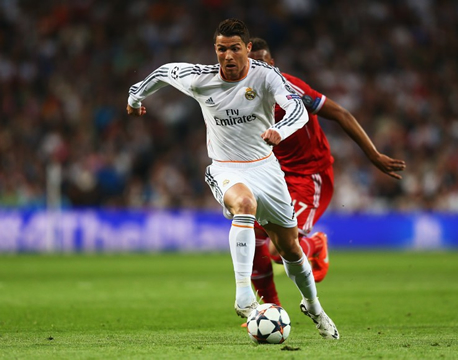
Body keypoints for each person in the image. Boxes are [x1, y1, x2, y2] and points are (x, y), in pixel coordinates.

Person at [126, 19, 340, 340]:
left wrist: (279, 131)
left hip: (267, 169)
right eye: (221, 49)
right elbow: (163, 72)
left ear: (248, 49)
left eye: (235, 49)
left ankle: (313, 306)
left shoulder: (266, 76)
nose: (227, 56)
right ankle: (243, 296)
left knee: (290, 249)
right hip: (226, 167)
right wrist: (134, 99)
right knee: (244, 203)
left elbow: (297, 109)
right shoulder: (201, 79)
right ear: (216, 49)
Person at [247, 38, 406, 307]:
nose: (258, 69)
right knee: (252, 239)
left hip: (310, 177)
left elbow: (341, 113)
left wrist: (373, 155)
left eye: (263, 63)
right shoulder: (243, 96)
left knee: (277, 250)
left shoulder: (292, 89)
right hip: (276, 175)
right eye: (253, 65)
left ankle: (316, 243)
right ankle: (271, 309)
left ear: (272, 65)